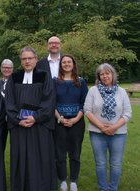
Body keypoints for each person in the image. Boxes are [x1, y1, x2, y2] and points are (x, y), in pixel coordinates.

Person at [5, 46, 57, 191]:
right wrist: (18, 119)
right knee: (21, 157)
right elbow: (9, 102)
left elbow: (49, 100)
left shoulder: (45, 76)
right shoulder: (14, 78)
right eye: (24, 59)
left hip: (39, 125)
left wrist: (35, 117)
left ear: (35, 59)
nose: (27, 61)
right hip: (20, 126)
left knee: (40, 157)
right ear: (20, 61)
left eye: (30, 58)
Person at [84, 63, 132, 191]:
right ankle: (103, 188)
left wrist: (114, 127)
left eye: (107, 73)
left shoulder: (121, 92)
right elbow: (87, 110)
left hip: (118, 134)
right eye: (102, 74)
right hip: (97, 133)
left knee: (116, 164)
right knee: (100, 163)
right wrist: (102, 127)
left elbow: (127, 113)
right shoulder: (93, 91)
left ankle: (113, 187)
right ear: (99, 77)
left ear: (112, 74)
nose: (105, 76)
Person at [53, 54, 88, 191]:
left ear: (73, 64)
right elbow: (52, 102)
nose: (66, 64)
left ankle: (73, 180)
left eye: (69, 62)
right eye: (64, 62)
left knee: (75, 153)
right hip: (59, 121)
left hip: (77, 122)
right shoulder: (55, 81)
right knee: (60, 153)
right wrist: (60, 118)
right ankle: (62, 180)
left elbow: (84, 103)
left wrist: (75, 119)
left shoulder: (81, 82)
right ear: (61, 65)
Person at [0, 58, 14, 150]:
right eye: (4, 67)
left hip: (13, 119)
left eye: (9, 68)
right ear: (1, 69)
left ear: (12, 69)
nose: (6, 70)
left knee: (15, 144)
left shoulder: (17, 83)